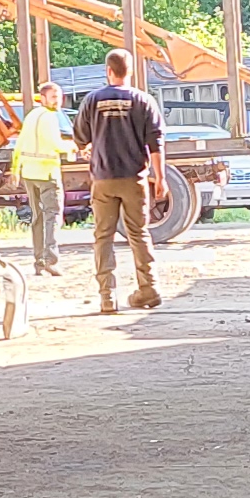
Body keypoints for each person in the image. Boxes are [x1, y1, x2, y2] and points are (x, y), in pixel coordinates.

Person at [74, 51, 164, 314]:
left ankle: (107, 297)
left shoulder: (92, 100)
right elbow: (156, 143)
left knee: (104, 236)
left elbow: (80, 138)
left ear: (108, 71)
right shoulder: (143, 101)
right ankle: (149, 288)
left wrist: (89, 146)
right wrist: (160, 178)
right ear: (131, 71)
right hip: (134, 179)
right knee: (139, 233)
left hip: (103, 179)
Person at [7, 83, 72, 276]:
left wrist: (15, 169)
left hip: (29, 174)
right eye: (53, 97)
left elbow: (19, 145)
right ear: (42, 98)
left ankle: (39, 262)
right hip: (47, 175)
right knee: (52, 216)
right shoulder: (51, 118)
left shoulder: (31, 116)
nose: (57, 100)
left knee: (38, 217)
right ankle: (51, 260)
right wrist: (73, 147)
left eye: (59, 96)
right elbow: (55, 144)